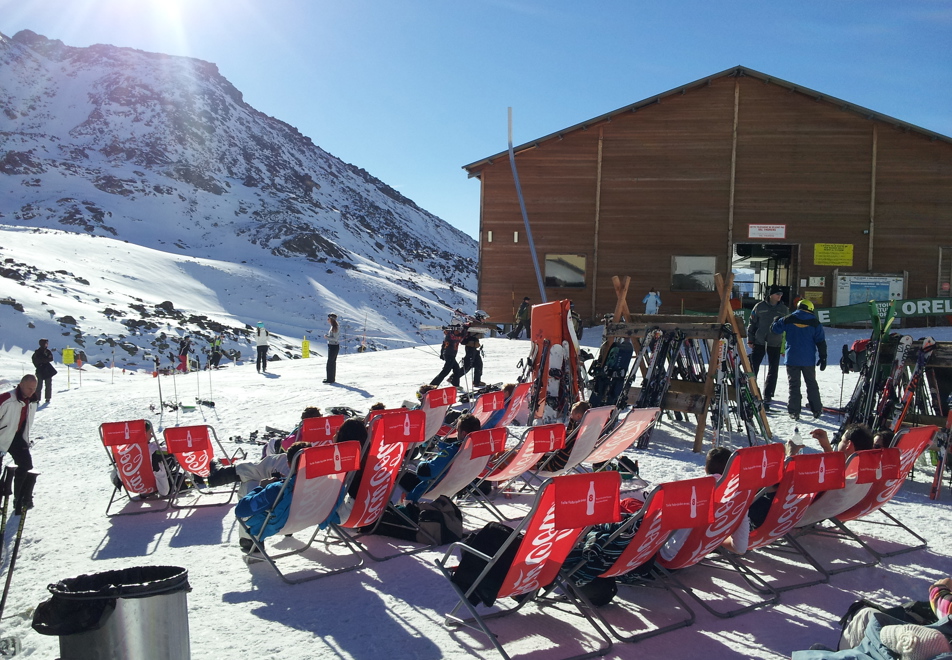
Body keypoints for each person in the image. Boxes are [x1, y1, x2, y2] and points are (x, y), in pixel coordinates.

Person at [234, 441, 310, 557]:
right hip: (310, 518)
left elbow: (241, 510)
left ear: (288, 465)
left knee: (248, 485)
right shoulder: (330, 483)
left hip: (279, 525)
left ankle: (249, 540)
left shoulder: (278, 489)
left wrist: (261, 487)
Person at [397, 413, 481, 502]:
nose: (456, 432)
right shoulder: (478, 449)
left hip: (432, 488)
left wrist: (424, 463)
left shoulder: (453, 452)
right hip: (457, 485)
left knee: (397, 474)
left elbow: (424, 473)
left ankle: (404, 507)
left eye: (457, 430)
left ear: (464, 433)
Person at [772, 299, 827, 420]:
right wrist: (823, 357)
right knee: (811, 383)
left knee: (794, 385)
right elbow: (821, 341)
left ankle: (794, 411)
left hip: (792, 358)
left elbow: (775, 330)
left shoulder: (788, 319)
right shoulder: (815, 322)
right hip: (808, 360)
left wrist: (775, 321)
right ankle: (816, 409)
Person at [0, 375, 38, 514]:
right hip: (2, 435)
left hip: (16, 437)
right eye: (29, 388)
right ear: (21, 384)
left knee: (26, 465)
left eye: (34, 389)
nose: (31, 391)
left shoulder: (32, 401)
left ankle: (21, 499)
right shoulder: (6, 399)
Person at [747, 285, 788, 405]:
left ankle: (768, 394)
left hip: (775, 343)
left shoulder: (784, 309)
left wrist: (784, 346)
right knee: (754, 367)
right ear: (770, 295)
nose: (779, 296)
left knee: (773, 369)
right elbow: (752, 323)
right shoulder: (759, 306)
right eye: (777, 294)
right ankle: (751, 390)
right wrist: (750, 339)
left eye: (781, 295)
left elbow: (787, 328)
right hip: (759, 341)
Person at [461, 311, 488, 387]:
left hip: (474, 347)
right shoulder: (474, 324)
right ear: (480, 317)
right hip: (470, 347)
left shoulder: (476, 323)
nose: (484, 320)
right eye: (484, 318)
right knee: (467, 366)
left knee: (479, 364)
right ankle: (454, 377)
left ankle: (477, 381)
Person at [31, 338, 56, 403]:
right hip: (40, 370)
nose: (47, 344)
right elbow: (35, 360)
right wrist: (41, 363)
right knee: (39, 385)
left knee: (48, 385)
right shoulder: (37, 352)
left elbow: (51, 359)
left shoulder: (47, 351)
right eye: (46, 343)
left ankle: (47, 398)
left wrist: (43, 360)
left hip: (47, 370)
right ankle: (37, 398)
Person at [324, 313, 340, 384]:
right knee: (331, 362)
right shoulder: (333, 326)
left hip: (333, 346)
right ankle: (330, 378)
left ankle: (330, 379)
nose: (328, 320)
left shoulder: (335, 327)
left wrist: (327, 337)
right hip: (332, 345)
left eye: (328, 319)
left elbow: (335, 338)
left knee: (330, 363)